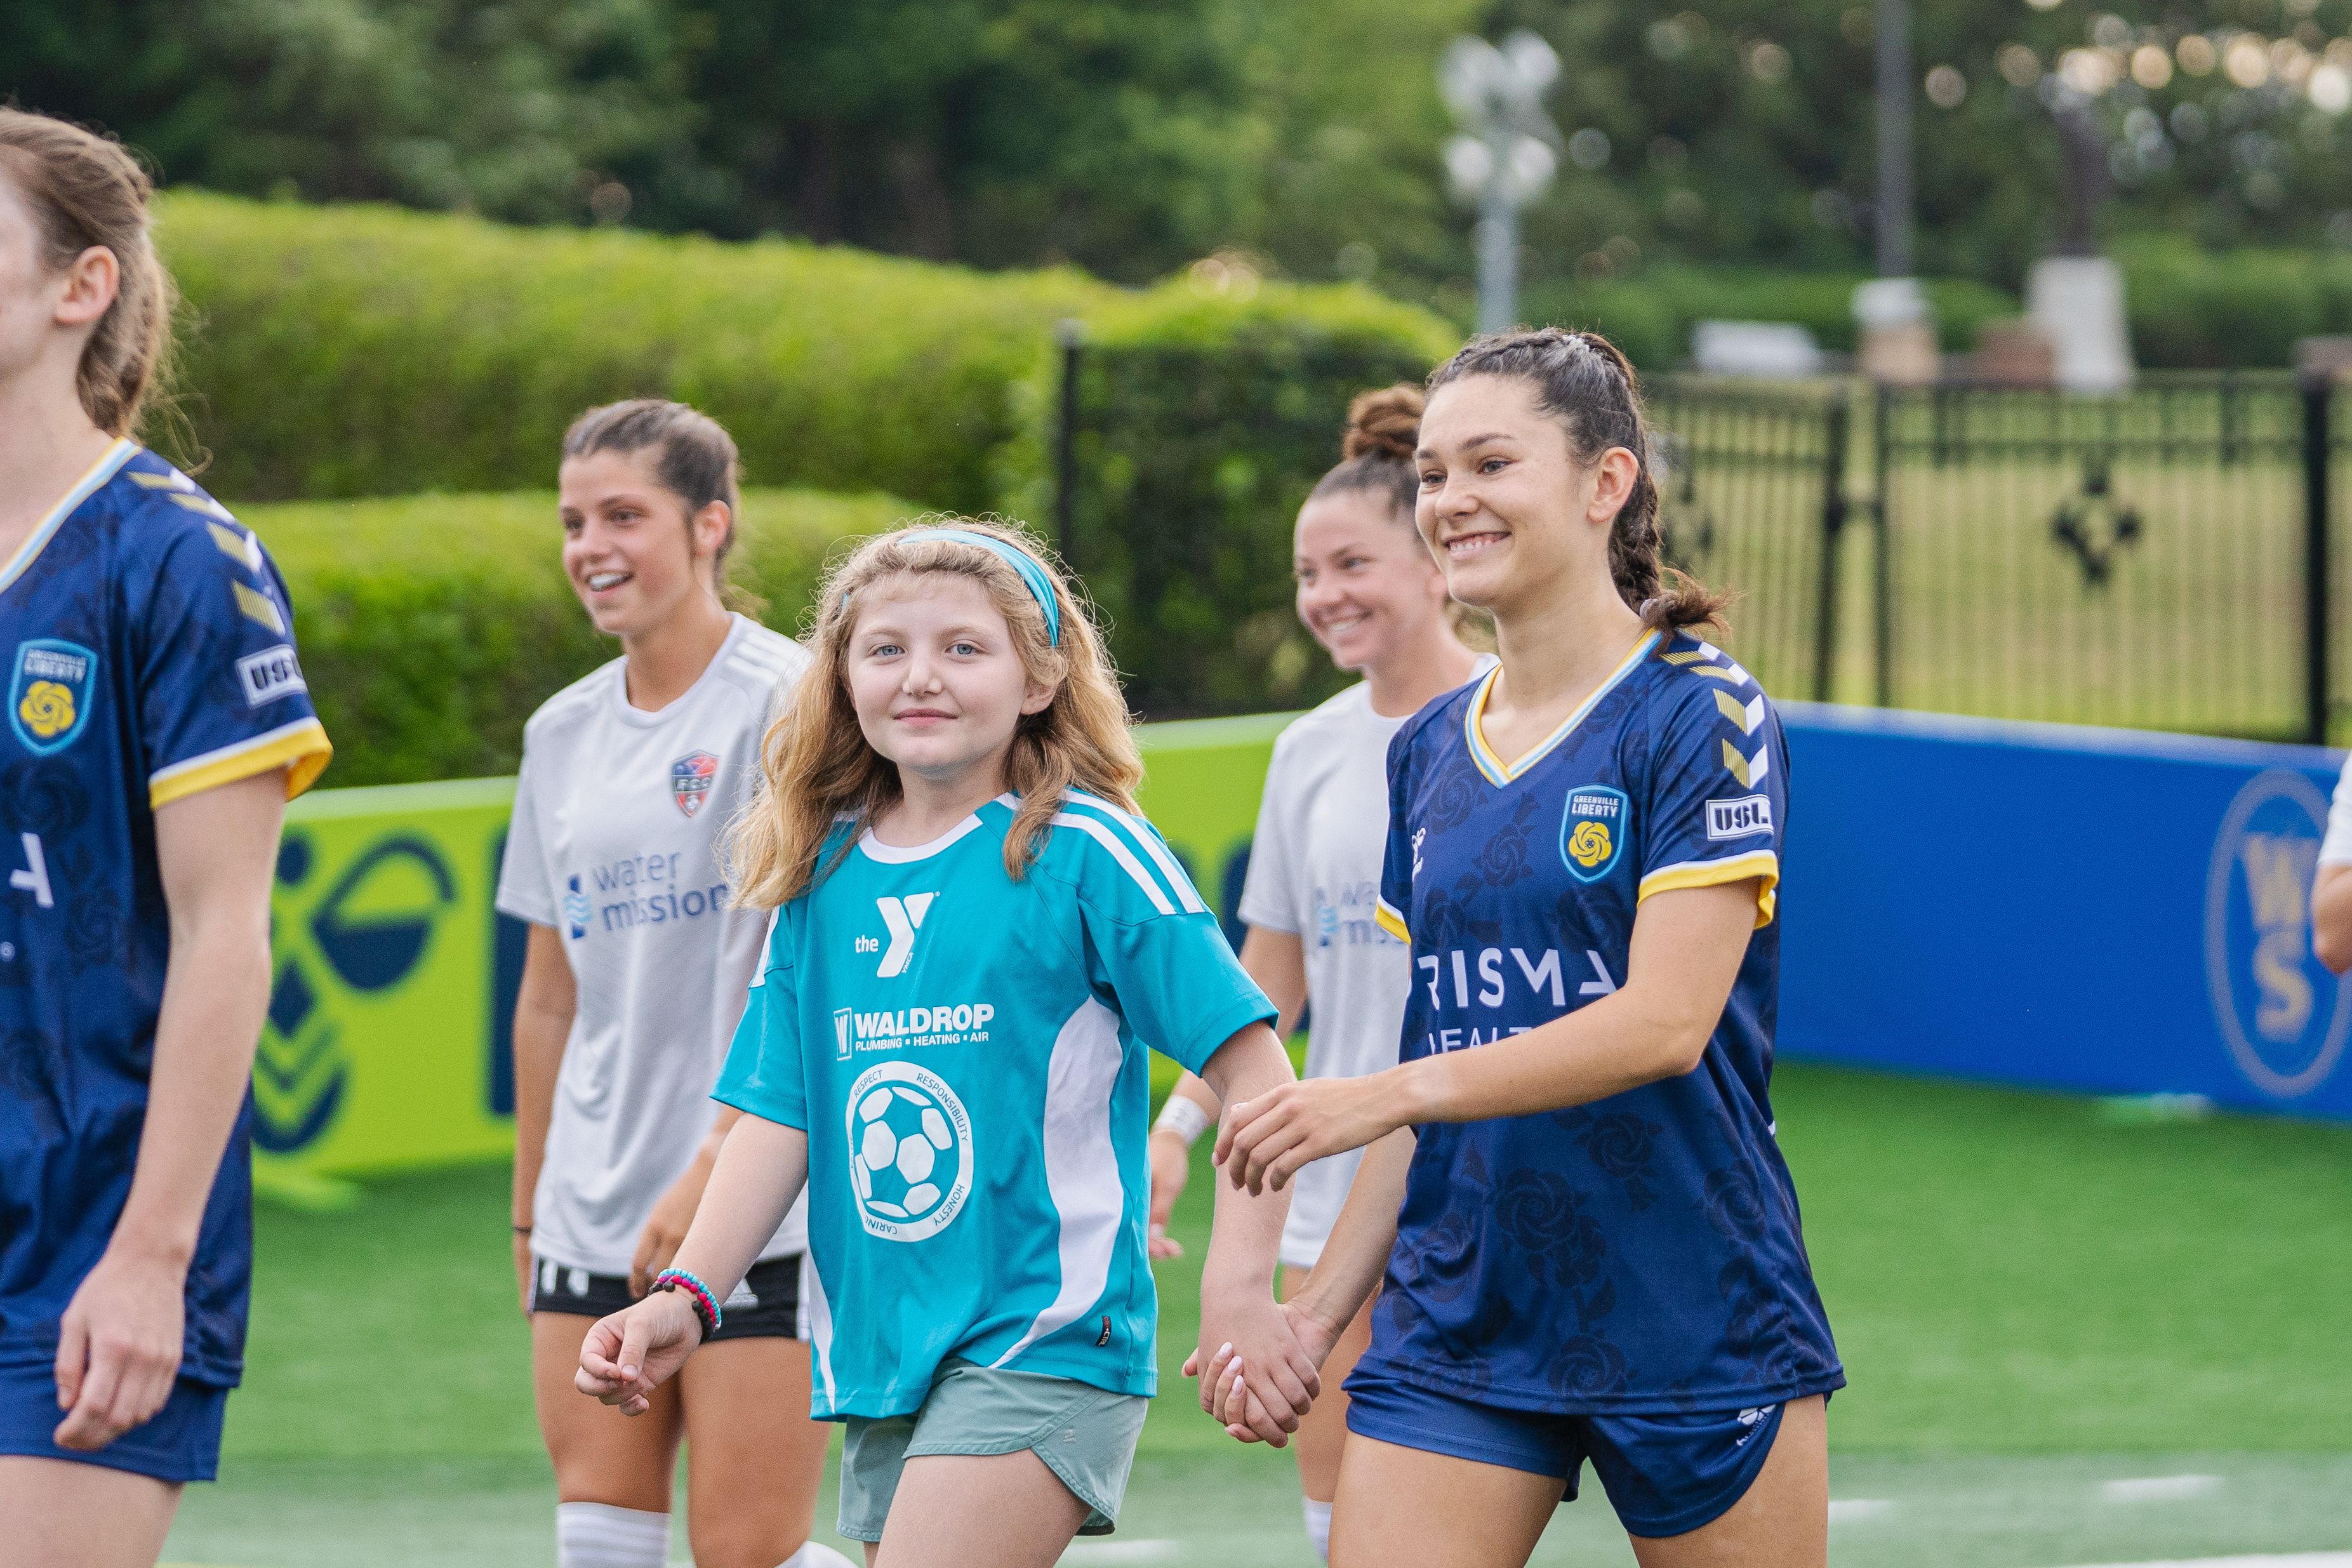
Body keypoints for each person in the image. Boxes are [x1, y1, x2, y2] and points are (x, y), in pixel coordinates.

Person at [1200, 328, 1845, 1567]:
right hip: (1461, 1307)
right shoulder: (1425, 748)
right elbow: (1434, 1053)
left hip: (1690, 1303)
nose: (1451, 499)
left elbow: (1663, 1024)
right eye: (1433, 474)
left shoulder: (1700, 709)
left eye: (1490, 464)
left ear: (1605, 481)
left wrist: (1386, 1090)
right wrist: (1314, 1314)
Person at [572, 521, 1322, 1567]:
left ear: (1039, 678)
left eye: (963, 647)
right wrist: (686, 1298)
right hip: (883, 1355)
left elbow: (1255, 1071)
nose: (920, 675)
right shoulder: (821, 879)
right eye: (886, 649)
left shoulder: (1088, 850)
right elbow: (779, 1117)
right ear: (843, 681)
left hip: (1044, 1336)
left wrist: (1240, 1288)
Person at [0, 109, 333, 1568]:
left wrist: (148, 1257)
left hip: (78, 1240)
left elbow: (223, 934)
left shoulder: (181, 559)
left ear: (81, 287)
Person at [498, 400, 854, 1568]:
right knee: (600, 1546)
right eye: (573, 522)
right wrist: (531, 1207)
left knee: (748, 1553)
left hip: (760, 1204)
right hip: (590, 1206)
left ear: (710, 524)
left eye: (623, 515)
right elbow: (548, 997)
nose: (591, 546)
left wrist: (713, 1165)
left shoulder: (793, 701)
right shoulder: (559, 734)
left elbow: (826, 971)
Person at [1145, 383, 1489, 1562]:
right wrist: (1181, 1129)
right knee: (1342, 1513)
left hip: (1486, 1178)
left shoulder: (1520, 723)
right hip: (1334, 1184)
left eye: (1351, 564)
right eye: (1307, 573)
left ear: (1436, 563)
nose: (1325, 594)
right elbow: (1268, 981)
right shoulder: (1308, 750)